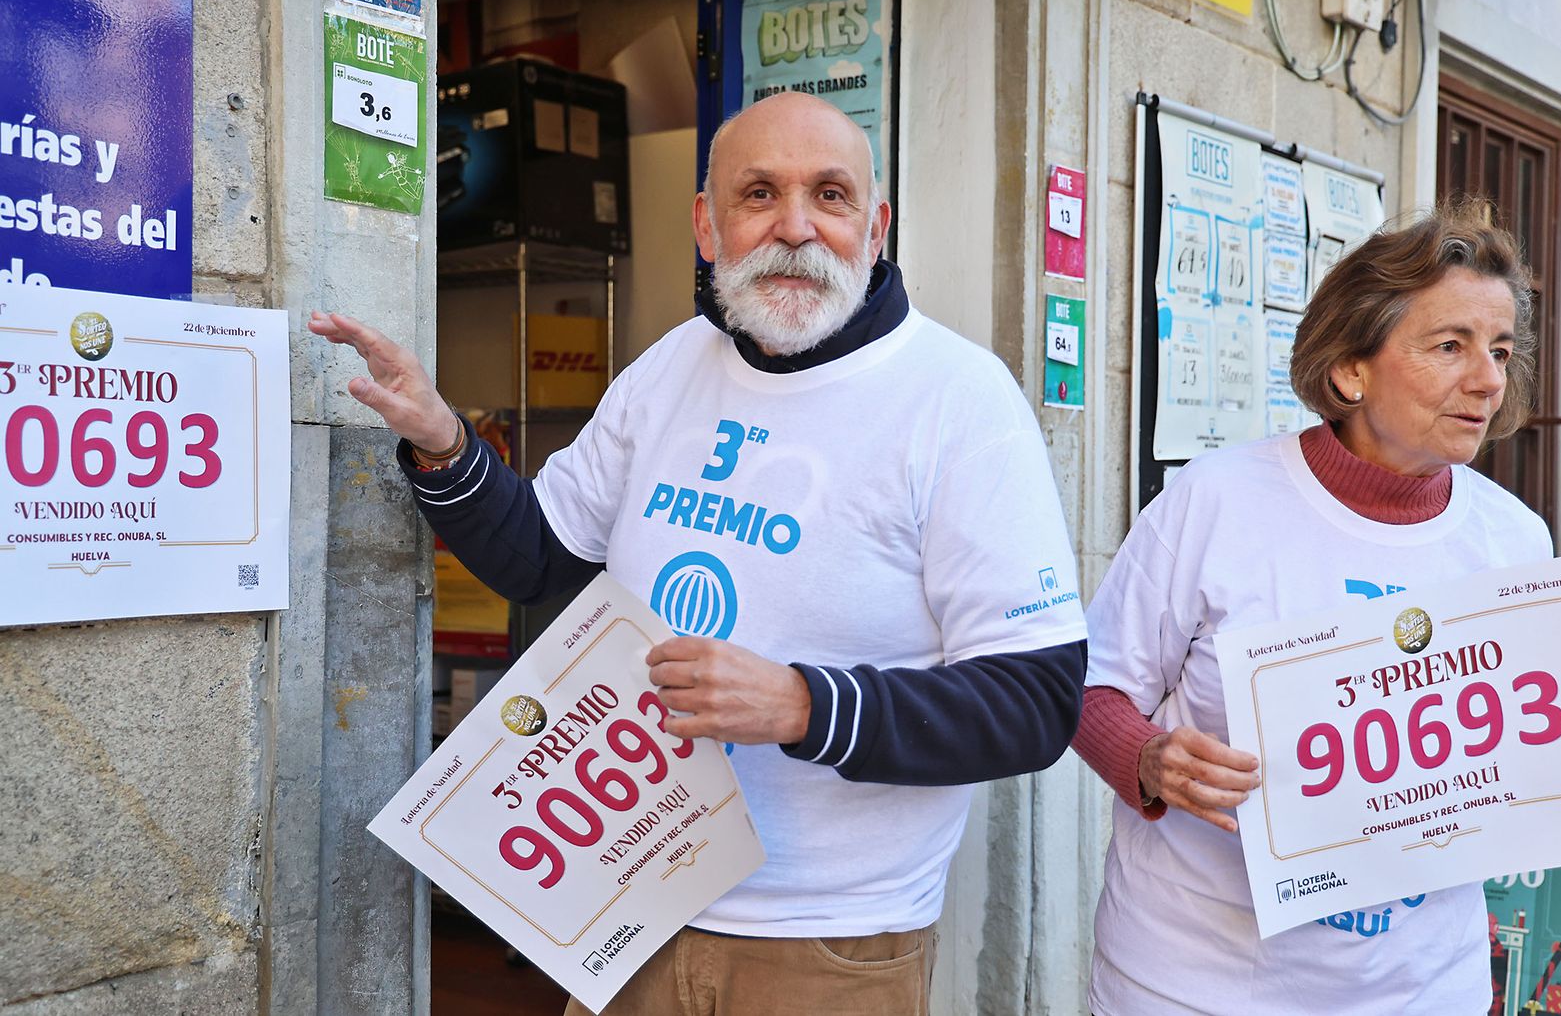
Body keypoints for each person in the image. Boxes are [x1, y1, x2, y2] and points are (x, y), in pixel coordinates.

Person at [310, 92, 1088, 1015]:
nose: (795, 227)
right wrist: (444, 441)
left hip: (826, 946)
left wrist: (802, 704)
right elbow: (540, 557)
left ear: (875, 227)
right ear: (707, 225)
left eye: (830, 195)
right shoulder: (671, 366)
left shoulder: (959, 399)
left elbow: (1036, 703)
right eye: (759, 194)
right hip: (622, 912)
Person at [1073, 205, 1551, 1014]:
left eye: (1499, 350)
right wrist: (1148, 758)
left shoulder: (1515, 540)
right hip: (1196, 983)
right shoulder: (1216, 501)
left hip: (1424, 989)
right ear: (1351, 370)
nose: (1488, 379)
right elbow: (1087, 687)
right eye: (1451, 345)